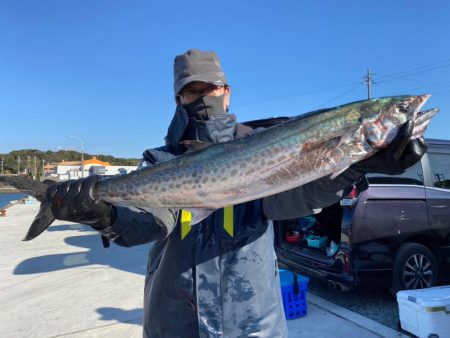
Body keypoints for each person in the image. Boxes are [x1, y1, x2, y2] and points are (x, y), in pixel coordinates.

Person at [48, 49, 427, 338]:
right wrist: (106, 215)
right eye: (190, 90)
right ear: (178, 99)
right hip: (176, 318)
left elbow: (285, 201)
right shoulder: (160, 160)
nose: (201, 97)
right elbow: (150, 223)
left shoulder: (258, 145)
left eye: (209, 88)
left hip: (251, 318)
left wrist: (356, 167)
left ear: (227, 93)